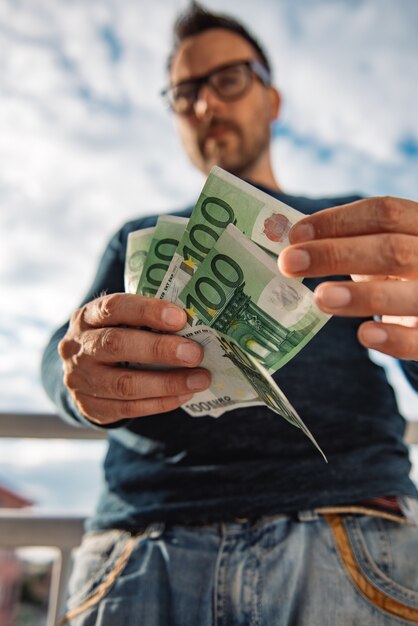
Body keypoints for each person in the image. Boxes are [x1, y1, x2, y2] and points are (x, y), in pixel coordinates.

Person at [42, 3, 418, 625]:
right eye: (184, 93)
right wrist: (75, 376)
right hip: (144, 545)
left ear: (272, 99)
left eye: (228, 79)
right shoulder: (137, 237)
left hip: (349, 527)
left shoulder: (351, 226)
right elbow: (62, 355)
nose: (205, 105)